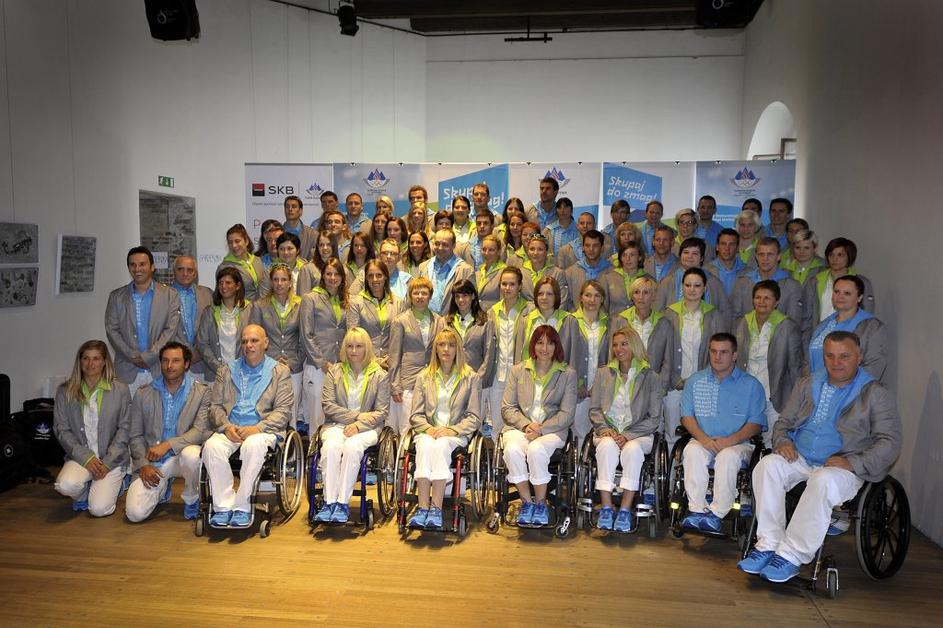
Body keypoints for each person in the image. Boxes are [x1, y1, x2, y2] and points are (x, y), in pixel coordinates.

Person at [739, 331, 901, 583]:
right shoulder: (808, 383)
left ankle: (791, 555)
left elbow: (890, 442)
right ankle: (769, 544)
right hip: (802, 457)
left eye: (844, 356)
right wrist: (783, 441)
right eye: (830, 356)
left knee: (823, 480)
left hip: (843, 465)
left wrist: (853, 462)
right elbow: (783, 422)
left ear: (859, 357)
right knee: (767, 466)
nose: (836, 362)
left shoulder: (875, 393)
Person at [201, 324, 293, 527]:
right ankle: (223, 507)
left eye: (254, 341)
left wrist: (258, 428)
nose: (248, 345)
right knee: (211, 447)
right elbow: (215, 407)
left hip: (263, 429)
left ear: (266, 343)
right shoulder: (227, 370)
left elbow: (283, 411)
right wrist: (226, 427)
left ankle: (242, 506)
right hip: (231, 429)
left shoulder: (279, 371)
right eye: (244, 341)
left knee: (253, 445)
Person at [679, 333, 767, 533]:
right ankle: (696, 510)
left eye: (724, 352)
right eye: (714, 351)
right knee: (691, 451)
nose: (717, 357)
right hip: (703, 438)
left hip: (738, 443)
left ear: (734, 355)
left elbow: (756, 423)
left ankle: (717, 514)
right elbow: (686, 417)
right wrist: (705, 440)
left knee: (727, 457)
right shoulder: (695, 381)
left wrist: (729, 441)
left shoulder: (751, 385)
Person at [125, 342, 211, 522]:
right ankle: (163, 488)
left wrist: (168, 445)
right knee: (134, 514)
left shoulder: (201, 392)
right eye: (165, 360)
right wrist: (143, 464)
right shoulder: (143, 393)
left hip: (183, 457)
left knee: (192, 456)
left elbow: (200, 431)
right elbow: (135, 435)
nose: (169, 366)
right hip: (153, 461)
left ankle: (192, 498)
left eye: (176, 361)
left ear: (186, 364)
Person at [501, 325, 578, 526]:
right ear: (533, 345)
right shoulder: (518, 371)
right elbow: (508, 408)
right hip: (521, 428)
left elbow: (567, 414)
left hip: (552, 430)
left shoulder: (567, 374)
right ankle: (527, 502)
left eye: (550, 343)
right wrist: (527, 425)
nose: (545, 348)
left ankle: (541, 503)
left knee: (536, 449)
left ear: (556, 346)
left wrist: (541, 429)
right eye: (540, 342)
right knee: (512, 450)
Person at [407, 329, 483, 530]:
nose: (446, 349)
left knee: (441, 446)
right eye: (441, 344)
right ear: (435, 348)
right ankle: (422, 508)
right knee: (424, 446)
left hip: (456, 434)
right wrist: (428, 429)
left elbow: (474, 417)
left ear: (458, 348)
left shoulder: (471, 377)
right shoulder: (424, 376)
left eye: (451, 345)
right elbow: (415, 415)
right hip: (428, 431)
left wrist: (452, 430)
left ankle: (435, 508)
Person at [313, 327, 391, 524]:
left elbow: (381, 412)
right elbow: (328, 405)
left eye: (359, 346)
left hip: (368, 428)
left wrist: (359, 425)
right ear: (344, 348)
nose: (354, 351)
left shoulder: (380, 375)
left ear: (367, 348)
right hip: (336, 425)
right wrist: (356, 416)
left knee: (352, 447)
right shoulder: (334, 372)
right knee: (330, 447)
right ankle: (329, 502)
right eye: (349, 346)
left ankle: (342, 503)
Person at [589, 327, 663, 532]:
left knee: (632, 449)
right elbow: (594, 409)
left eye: (624, 344)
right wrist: (605, 429)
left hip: (639, 433)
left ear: (635, 345)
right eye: (615, 345)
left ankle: (624, 509)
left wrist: (628, 435)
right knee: (606, 446)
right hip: (608, 431)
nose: (618, 349)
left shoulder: (651, 376)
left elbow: (654, 418)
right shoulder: (603, 373)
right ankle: (606, 507)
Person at [53, 340, 131, 516]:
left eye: (96, 358)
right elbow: (61, 429)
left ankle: (120, 483)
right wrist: (86, 457)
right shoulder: (65, 391)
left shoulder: (120, 390)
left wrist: (108, 462)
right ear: (79, 361)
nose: (90, 363)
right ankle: (83, 495)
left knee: (98, 509)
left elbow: (125, 428)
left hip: (111, 459)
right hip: (82, 457)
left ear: (104, 362)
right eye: (86, 358)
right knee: (65, 485)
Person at [662, 268, 730, 449]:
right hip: (675, 384)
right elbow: (664, 350)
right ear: (682, 287)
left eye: (697, 285)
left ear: (704, 288)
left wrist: (703, 380)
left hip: (705, 385)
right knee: (672, 433)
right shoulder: (669, 313)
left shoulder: (714, 315)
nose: (692, 289)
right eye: (688, 285)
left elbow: (719, 352)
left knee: (703, 434)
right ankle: (672, 467)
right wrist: (674, 379)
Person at [733, 281, 803, 447]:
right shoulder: (743, 322)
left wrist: (796, 398)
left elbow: (795, 366)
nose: (761, 302)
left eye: (767, 298)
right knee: (742, 442)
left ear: (776, 302)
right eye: (758, 297)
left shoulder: (787, 326)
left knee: (772, 443)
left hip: (774, 394)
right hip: (745, 393)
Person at [105, 246, 182, 395]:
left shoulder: (170, 295)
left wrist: (149, 356)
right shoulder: (116, 297)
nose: (137, 269)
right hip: (127, 371)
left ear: (152, 267)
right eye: (132, 265)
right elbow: (112, 330)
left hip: (159, 370)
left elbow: (170, 331)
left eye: (142, 264)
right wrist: (132, 356)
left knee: (161, 410)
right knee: (127, 410)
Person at [388, 278, 445, 434]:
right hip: (408, 382)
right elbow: (394, 355)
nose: (420, 296)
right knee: (407, 428)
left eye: (424, 293)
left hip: (432, 380)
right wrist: (395, 385)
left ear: (430, 296)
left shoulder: (440, 321)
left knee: (430, 426)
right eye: (416, 293)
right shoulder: (400, 321)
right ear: (410, 295)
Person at [251, 263, 305, 427]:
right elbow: (255, 339)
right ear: (271, 282)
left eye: (283, 279)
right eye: (275, 279)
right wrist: (271, 362)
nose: (279, 283)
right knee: (268, 413)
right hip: (267, 367)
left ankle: (293, 442)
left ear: (290, 282)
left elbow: (304, 338)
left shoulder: (301, 304)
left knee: (292, 415)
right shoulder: (260, 306)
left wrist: (292, 363)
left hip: (293, 366)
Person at [806, 275, 887, 382]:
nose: (840, 296)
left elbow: (873, 366)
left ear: (859, 297)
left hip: (850, 390)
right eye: (837, 292)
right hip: (817, 388)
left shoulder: (872, 327)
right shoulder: (824, 324)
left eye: (847, 293)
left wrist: (847, 390)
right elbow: (808, 361)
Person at [300, 257, 349, 430]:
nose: (332, 278)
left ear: (342, 277)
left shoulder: (346, 300)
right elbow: (306, 335)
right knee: (317, 418)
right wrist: (322, 363)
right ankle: (314, 448)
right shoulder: (310, 298)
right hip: (318, 366)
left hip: (340, 366)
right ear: (322, 276)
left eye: (336, 274)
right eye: (328, 274)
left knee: (338, 417)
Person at [487, 267, 533, 442]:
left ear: (520, 286)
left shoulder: (530, 310)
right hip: (498, 376)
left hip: (521, 377)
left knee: (520, 424)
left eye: (512, 284)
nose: (507, 288)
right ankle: (497, 456)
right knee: (497, 424)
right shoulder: (492, 311)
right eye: (504, 284)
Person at [802, 237, 875, 340]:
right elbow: (806, 319)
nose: (834, 259)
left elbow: (867, 316)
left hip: (850, 338)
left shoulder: (862, 282)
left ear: (849, 257)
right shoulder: (815, 281)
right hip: (821, 337)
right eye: (831, 254)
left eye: (840, 255)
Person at [612, 276, 674, 394]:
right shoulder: (620, 320)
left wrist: (661, 387)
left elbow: (668, 361)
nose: (641, 297)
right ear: (631, 296)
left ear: (653, 296)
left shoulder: (664, 323)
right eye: (636, 292)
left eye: (646, 292)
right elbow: (612, 355)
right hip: (624, 384)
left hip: (653, 385)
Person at [196, 267, 255, 384]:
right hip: (216, 375)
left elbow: (255, 342)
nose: (223, 286)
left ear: (238, 286)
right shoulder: (209, 311)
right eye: (220, 283)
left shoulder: (250, 309)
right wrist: (219, 368)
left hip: (245, 374)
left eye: (228, 282)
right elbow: (202, 344)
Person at [654, 237, 731, 321]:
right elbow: (657, 312)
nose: (689, 256)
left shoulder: (714, 282)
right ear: (680, 255)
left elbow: (725, 312)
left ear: (702, 258)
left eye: (695, 253)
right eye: (686, 252)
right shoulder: (667, 282)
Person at [346, 259, 404, 369]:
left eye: (379, 275)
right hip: (364, 364)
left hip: (391, 365)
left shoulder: (398, 302)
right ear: (366, 279)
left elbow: (400, 337)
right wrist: (374, 361)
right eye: (370, 276)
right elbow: (353, 337)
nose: (375, 279)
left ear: (385, 277)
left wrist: (391, 359)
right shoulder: (355, 303)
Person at [730, 237, 804, 322]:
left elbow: (793, 322)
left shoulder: (792, 286)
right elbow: (735, 318)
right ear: (756, 256)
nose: (765, 258)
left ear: (779, 256)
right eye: (761, 254)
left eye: (770, 254)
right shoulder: (742, 282)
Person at [571, 280, 610, 442]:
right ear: (581, 297)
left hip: (601, 389)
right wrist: (577, 383)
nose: (592, 300)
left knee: (601, 435)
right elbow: (565, 356)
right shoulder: (570, 321)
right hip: (577, 390)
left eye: (597, 296)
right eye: (588, 295)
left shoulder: (610, 323)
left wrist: (599, 385)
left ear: (602, 299)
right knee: (579, 434)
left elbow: (612, 357)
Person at [516, 276, 579, 364]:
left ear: (556, 296)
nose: (544, 297)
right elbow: (519, 357)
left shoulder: (570, 321)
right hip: (530, 372)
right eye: (540, 294)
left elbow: (574, 357)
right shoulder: (525, 321)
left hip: (560, 372)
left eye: (549, 294)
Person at [171, 255, 213, 377]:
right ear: (174, 271)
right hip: (173, 364)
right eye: (180, 269)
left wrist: (200, 352)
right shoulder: (163, 295)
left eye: (190, 270)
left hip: (202, 364)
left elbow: (213, 328)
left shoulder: (208, 293)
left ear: (195, 273)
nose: (185, 274)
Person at [415, 229, 474, 316]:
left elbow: (471, 301)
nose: (440, 248)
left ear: (454, 245)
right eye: (437, 244)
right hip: (426, 318)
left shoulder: (466, 270)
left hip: (453, 319)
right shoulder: (423, 267)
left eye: (445, 245)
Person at [217, 224, 269, 301]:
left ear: (246, 241)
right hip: (240, 307)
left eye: (237, 241)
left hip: (262, 306)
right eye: (230, 242)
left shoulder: (257, 260)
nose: (234, 245)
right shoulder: (224, 267)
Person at [520, 233, 570, 308]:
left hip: (552, 314)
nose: (535, 253)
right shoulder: (520, 273)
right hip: (526, 314)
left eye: (540, 249)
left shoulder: (558, 274)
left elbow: (562, 302)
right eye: (532, 249)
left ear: (546, 252)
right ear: (527, 251)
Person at [563, 230, 613, 304]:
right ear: (583, 248)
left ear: (602, 248)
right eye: (587, 245)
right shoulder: (569, 273)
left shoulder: (612, 272)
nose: (591, 249)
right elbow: (566, 303)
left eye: (595, 245)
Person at [600, 241, 648, 316]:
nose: (628, 259)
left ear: (639, 257)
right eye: (624, 255)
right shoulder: (608, 279)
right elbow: (602, 308)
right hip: (614, 323)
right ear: (620, 258)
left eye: (632, 255)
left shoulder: (648, 280)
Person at [705, 228, 746, 298]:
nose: (727, 248)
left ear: (737, 248)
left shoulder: (749, 273)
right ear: (717, 247)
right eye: (723, 244)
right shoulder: (705, 271)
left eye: (731, 244)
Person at [297, 231, 338, 295]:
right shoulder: (307, 269)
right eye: (321, 245)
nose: (325, 248)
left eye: (328, 244)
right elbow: (303, 297)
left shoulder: (340, 268)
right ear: (317, 247)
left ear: (334, 246)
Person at [473, 234, 506, 311]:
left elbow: (505, 302)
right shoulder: (478, 272)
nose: (486, 253)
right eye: (484, 249)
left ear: (499, 252)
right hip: (477, 314)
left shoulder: (504, 272)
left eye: (491, 250)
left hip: (493, 315)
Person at [281, 195, 318, 260]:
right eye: (287, 206)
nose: (290, 209)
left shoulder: (313, 235)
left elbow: (315, 260)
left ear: (300, 211)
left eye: (294, 206)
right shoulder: (277, 234)